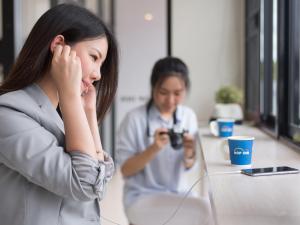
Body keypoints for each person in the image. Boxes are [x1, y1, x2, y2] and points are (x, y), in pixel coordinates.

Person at [0, 4, 118, 225]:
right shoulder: (8, 114)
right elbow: (86, 183)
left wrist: (88, 112)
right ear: (59, 46)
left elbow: (99, 187)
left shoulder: (64, 115)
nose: (98, 74)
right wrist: (71, 98)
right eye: (94, 57)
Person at [117, 57, 212, 225]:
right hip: (142, 197)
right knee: (204, 214)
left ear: (185, 90)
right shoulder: (134, 119)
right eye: (163, 93)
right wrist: (154, 148)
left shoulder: (187, 116)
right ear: (153, 88)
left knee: (210, 210)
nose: (170, 101)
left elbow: (189, 166)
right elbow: (125, 170)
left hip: (179, 193)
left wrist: (190, 154)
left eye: (177, 94)